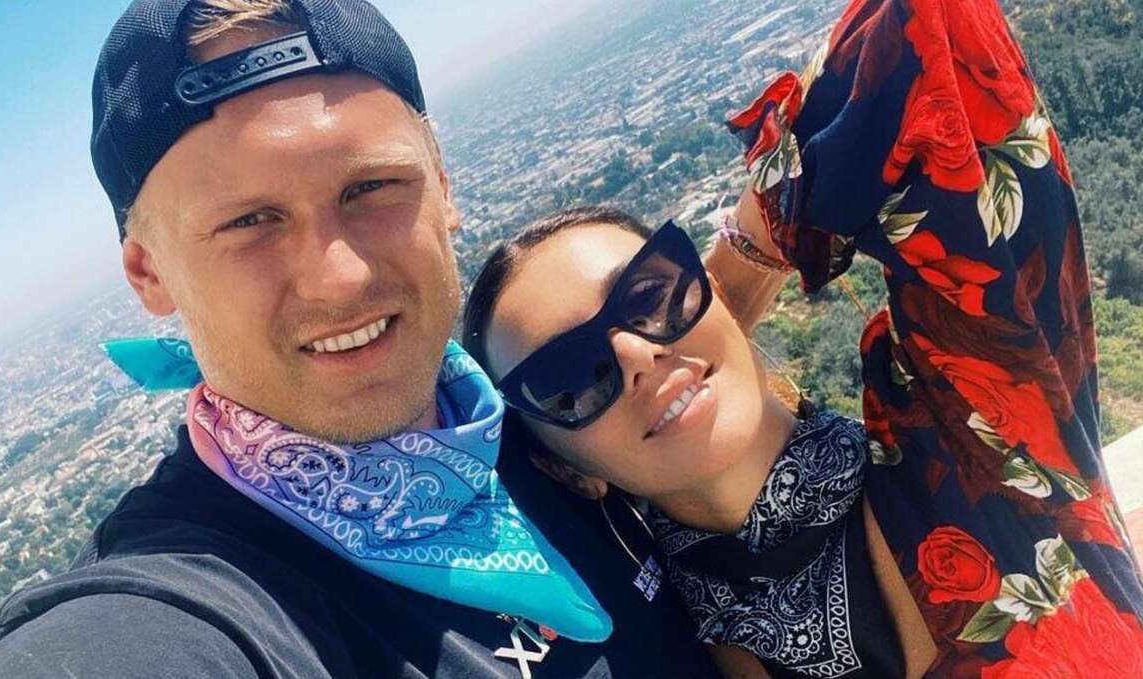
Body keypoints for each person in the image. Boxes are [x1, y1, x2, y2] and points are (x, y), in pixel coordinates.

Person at [0, 1, 718, 677]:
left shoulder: (548, 406)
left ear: (442, 187)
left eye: (369, 188)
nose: (339, 277)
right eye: (249, 222)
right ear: (150, 273)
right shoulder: (182, 607)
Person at [462, 0, 1143, 676]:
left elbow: (932, 26)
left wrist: (740, 268)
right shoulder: (663, 656)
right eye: (570, 377)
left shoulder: (982, 428)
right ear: (564, 467)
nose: (638, 354)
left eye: (650, 293)